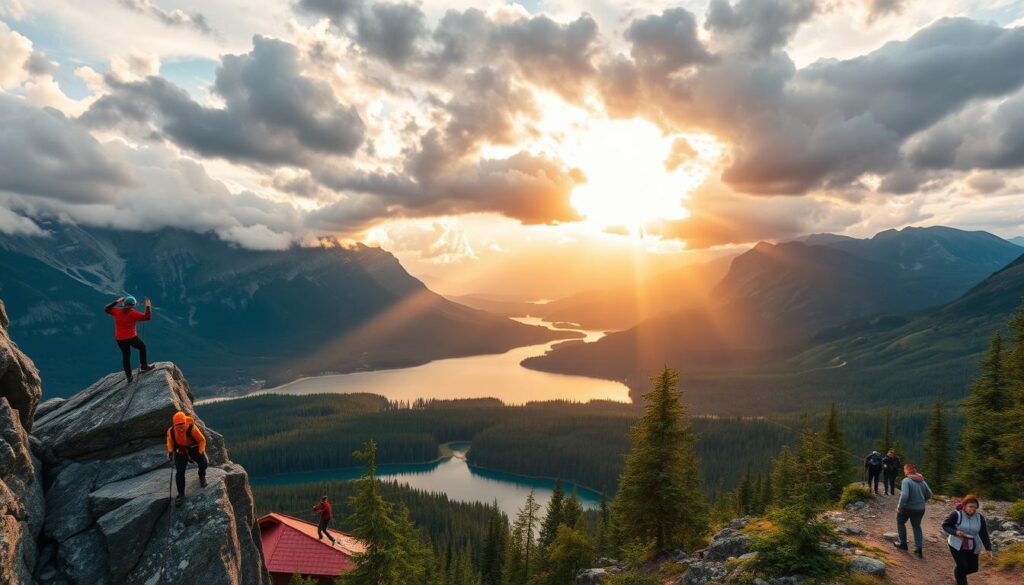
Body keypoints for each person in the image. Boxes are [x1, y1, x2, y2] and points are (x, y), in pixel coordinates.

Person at [943, 494, 994, 585]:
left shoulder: (979, 517)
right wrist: (956, 532)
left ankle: (958, 575)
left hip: (973, 544)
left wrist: (988, 548)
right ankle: (960, 579)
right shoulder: (956, 514)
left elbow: (983, 533)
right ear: (964, 505)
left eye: (975, 507)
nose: (973, 509)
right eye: (970, 506)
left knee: (973, 568)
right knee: (962, 566)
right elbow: (946, 525)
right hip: (957, 543)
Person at [104, 295, 154, 383]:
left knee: (126, 355)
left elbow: (106, 309)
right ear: (133, 305)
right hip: (131, 337)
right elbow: (147, 317)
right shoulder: (133, 313)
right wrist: (148, 306)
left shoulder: (117, 311)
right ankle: (144, 366)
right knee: (142, 347)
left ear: (124, 303)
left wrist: (117, 301)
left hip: (119, 338)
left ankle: (129, 376)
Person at [166, 411, 208, 506]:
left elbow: (202, 440)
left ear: (185, 422)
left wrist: (201, 452)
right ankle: (181, 494)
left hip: (193, 448)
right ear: (174, 424)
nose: (180, 427)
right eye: (178, 425)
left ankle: (202, 476)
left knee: (203, 463)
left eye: (182, 424)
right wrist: (170, 451)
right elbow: (170, 443)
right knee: (180, 472)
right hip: (180, 451)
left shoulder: (191, 428)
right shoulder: (171, 431)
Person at [893, 463, 932, 558]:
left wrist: (899, 506)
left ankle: (903, 544)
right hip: (920, 508)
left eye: (904, 469)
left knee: (900, 521)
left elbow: (905, 495)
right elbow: (930, 494)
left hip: (908, 508)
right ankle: (919, 549)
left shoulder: (906, 481)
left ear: (907, 471)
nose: (904, 471)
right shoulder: (922, 480)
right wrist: (922, 501)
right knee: (916, 526)